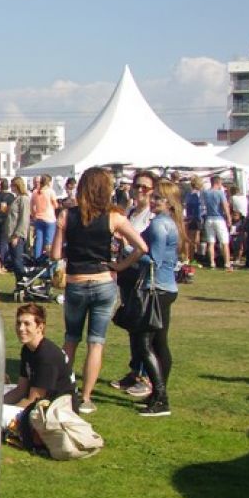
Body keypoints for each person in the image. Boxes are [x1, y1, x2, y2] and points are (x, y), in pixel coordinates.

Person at [51, 168, 147, 414]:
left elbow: (55, 253)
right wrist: (120, 265)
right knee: (96, 342)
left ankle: (62, 391)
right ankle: (85, 397)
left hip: (76, 281)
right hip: (104, 281)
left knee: (71, 339)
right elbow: (141, 247)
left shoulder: (67, 215)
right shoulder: (114, 217)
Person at [0, 302, 73, 431]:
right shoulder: (27, 349)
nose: (21, 328)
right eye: (18, 323)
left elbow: (32, 401)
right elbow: (20, 390)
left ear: (40, 327)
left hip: (53, 410)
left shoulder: (47, 356)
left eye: (27, 324)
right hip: (32, 401)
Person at [133, 179, 184, 418]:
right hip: (167, 287)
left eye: (157, 198)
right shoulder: (170, 223)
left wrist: (131, 253)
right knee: (160, 343)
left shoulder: (159, 225)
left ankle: (161, 397)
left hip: (156, 289)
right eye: (152, 197)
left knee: (144, 344)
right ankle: (158, 393)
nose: (152, 201)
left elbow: (154, 258)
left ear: (169, 202)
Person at [110, 169, 158, 398]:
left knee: (143, 327)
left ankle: (146, 376)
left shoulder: (151, 216)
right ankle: (134, 371)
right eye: (137, 185)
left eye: (144, 187)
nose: (139, 190)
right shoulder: (129, 212)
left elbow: (146, 248)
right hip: (127, 273)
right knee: (131, 324)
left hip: (143, 275)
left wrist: (127, 243)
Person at [199, 174, 232, 271]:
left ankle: (212, 263)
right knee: (224, 242)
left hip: (209, 218)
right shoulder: (220, 193)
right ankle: (227, 263)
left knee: (211, 242)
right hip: (219, 218)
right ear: (218, 182)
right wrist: (229, 217)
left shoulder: (206, 193)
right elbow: (225, 206)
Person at [3, 176, 30, 278]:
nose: (11, 187)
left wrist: (17, 235)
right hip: (11, 234)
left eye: (13, 185)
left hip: (17, 235)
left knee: (17, 261)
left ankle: (24, 280)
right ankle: (19, 282)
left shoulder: (23, 199)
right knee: (14, 261)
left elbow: (23, 218)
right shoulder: (16, 198)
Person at [30, 174, 59, 261]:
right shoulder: (51, 192)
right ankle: (48, 259)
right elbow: (56, 205)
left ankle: (37, 259)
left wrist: (34, 215)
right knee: (48, 241)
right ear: (49, 182)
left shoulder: (35, 192)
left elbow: (32, 206)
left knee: (38, 240)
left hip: (38, 218)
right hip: (49, 218)